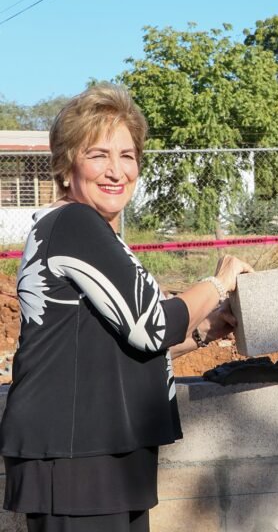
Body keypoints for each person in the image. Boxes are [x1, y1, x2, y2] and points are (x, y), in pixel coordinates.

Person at [0, 83, 253, 532]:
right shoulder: (75, 222)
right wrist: (218, 282)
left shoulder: (89, 231)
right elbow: (152, 325)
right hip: (79, 462)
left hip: (101, 458)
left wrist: (202, 331)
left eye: (127, 155)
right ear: (65, 166)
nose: (116, 170)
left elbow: (120, 348)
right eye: (98, 154)